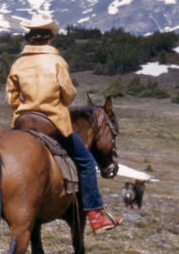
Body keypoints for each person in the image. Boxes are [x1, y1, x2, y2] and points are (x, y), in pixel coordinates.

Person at [6, 13, 122, 233]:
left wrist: (26, 106)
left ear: (30, 36)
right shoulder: (57, 62)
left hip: (22, 122)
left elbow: (12, 98)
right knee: (87, 163)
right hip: (52, 123)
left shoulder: (18, 64)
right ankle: (96, 216)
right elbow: (68, 96)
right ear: (50, 37)